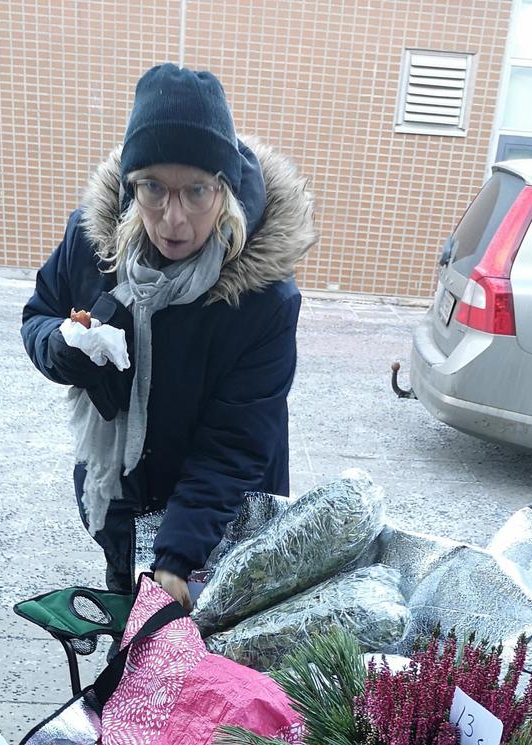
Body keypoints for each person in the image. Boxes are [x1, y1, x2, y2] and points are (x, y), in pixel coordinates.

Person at [21, 63, 316, 610]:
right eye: (153, 188)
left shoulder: (264, 297)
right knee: (134, 642)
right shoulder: (92, 243)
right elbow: (39, 314)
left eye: (196, 191)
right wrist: (62, 349)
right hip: (122, 500)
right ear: (131, 184)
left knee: (211, 649)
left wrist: (177, 557)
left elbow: (235, 443)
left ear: (224, 188)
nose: (173, 219)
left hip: (222, 517)